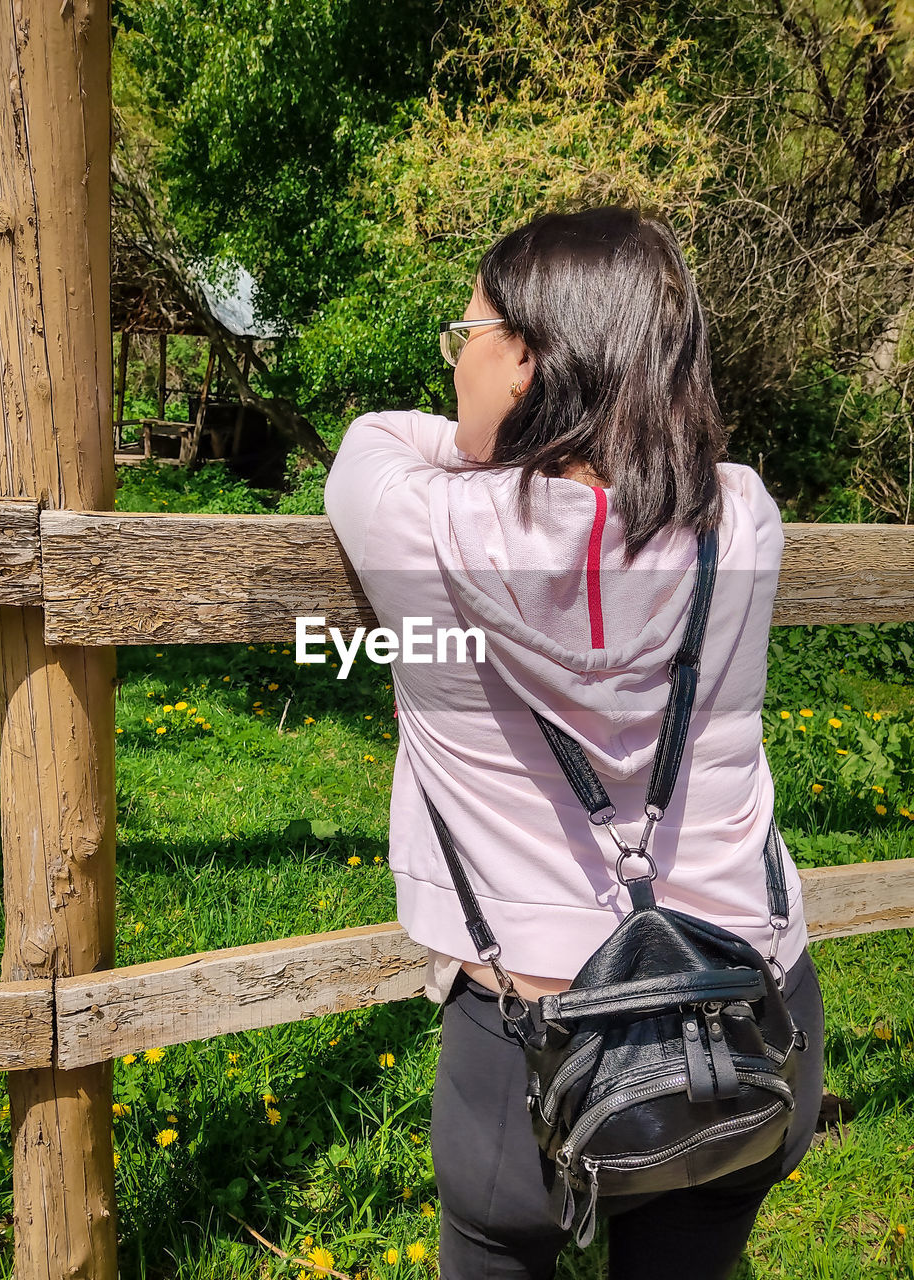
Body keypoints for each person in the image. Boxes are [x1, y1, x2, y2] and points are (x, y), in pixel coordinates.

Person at [323, 207, 824, 1280]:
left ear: (530, 359)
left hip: (532, 1029)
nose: (454, 369)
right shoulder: (739, 517)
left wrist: (469, 440)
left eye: (466, 342)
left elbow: (369, 438)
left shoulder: (424, 529)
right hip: (747, 1013)